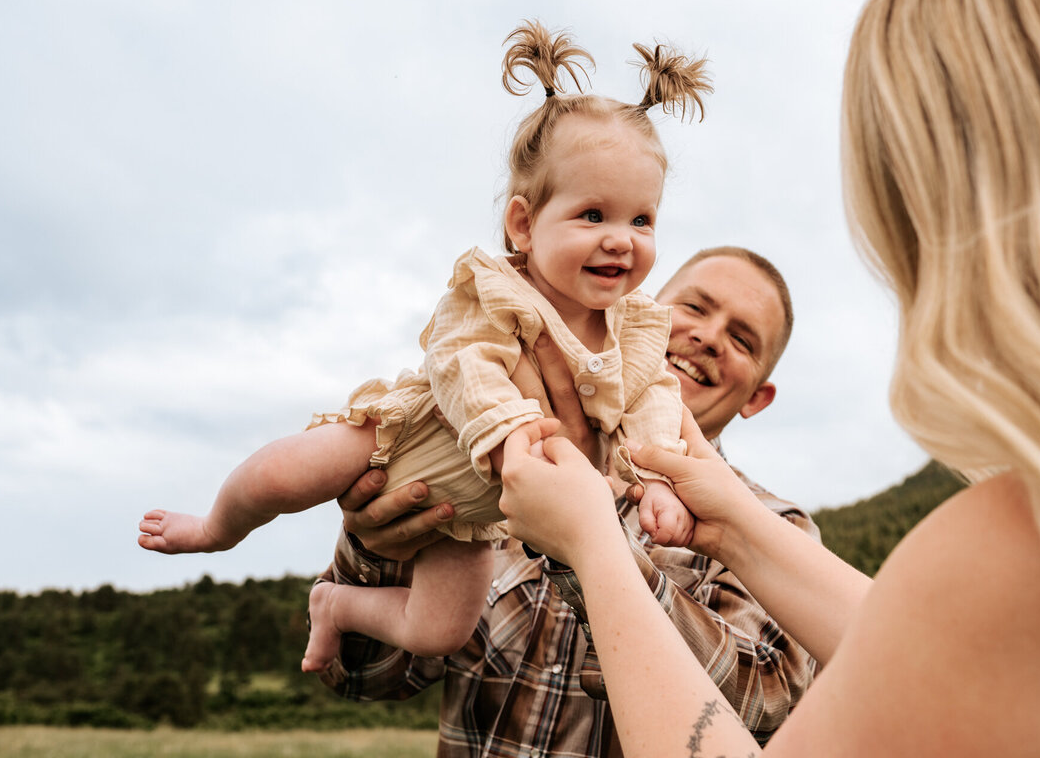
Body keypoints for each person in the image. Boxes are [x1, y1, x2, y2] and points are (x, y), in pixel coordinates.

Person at [497, 0, 1040, 754]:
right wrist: (729, 521)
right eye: (693, 309)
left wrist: (597, 547)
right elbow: (918, 644)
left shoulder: (1021, 539)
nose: (706, 338)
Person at [137, 20, 708, 670]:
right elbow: (459, 358)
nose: (621, 239)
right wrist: (510, 428)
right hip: (416, 441)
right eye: (593, 215)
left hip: (477, 511)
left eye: (642, 220)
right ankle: (217, 526)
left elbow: (653, 403)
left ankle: (336, 606)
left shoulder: (633, 331)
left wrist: (657, 478)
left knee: (440, 631)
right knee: (282, 473)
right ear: (523, 224)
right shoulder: (498, 289)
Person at [320, 245, 820, 754]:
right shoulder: (492, 466)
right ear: (632, 313)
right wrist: (377, 545)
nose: (709, 337)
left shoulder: (777, 530)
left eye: (741, 339)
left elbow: (764, 706)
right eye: (694, 308)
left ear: (757, 397)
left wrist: (585, 536)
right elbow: (361, 676)